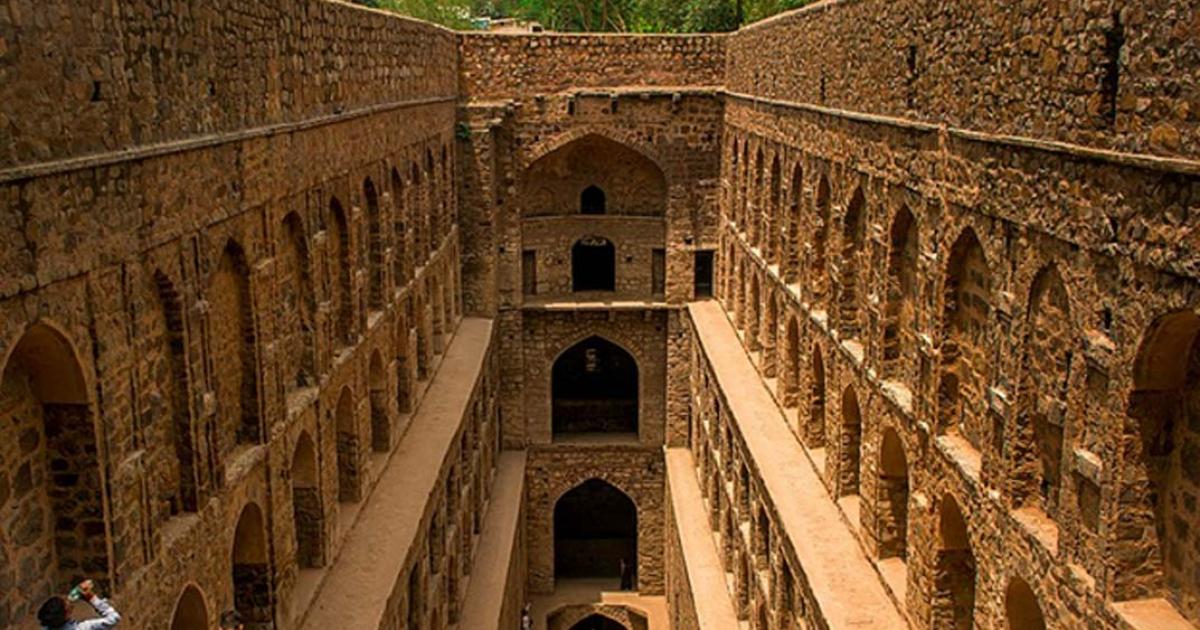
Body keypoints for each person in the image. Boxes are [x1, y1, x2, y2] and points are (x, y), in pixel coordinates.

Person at [37, 579, 121, 629]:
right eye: (67, 604)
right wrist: (92, 598)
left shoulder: (48, 625)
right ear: (66, 615)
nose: (69, 601)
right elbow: (114, 618)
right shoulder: (83, 628)